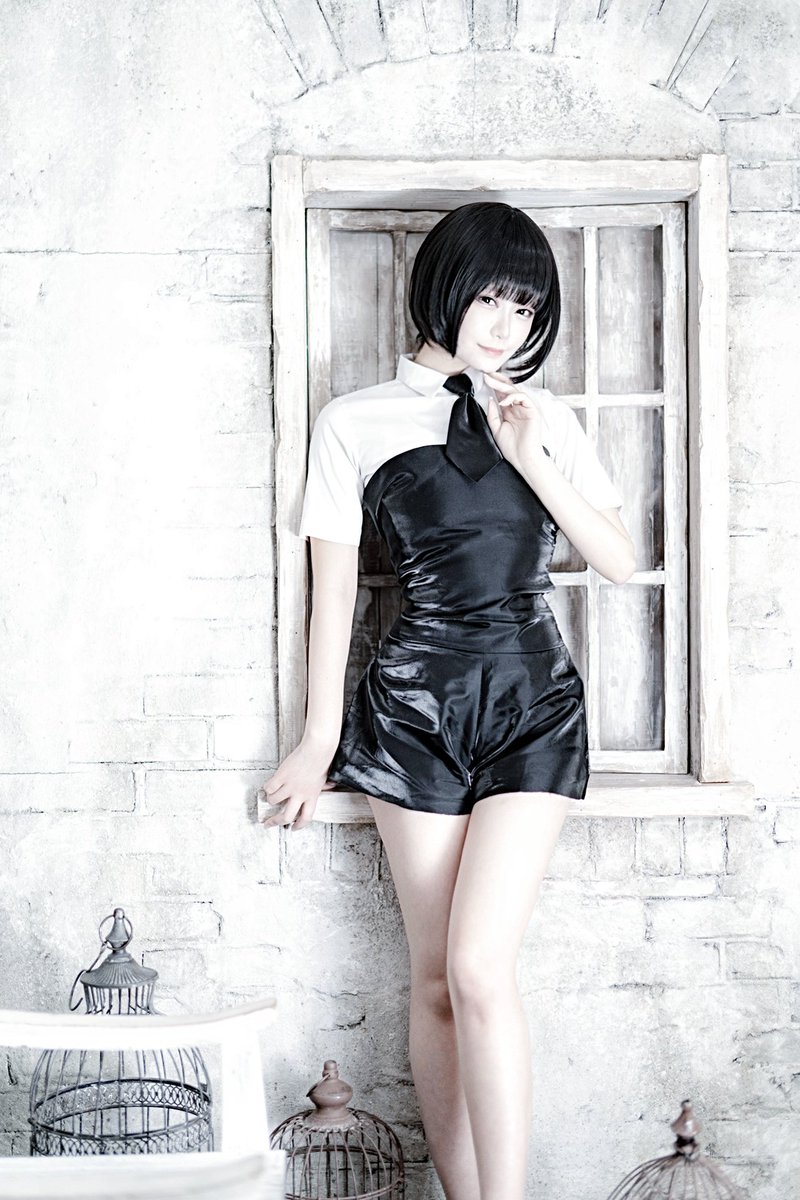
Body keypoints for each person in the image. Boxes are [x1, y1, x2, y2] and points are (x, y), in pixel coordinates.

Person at [262, 202, 636, 1200]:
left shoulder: (545, 419)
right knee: (432, 980)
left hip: (531, 707)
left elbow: (616, 559)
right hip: (413, 714)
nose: (505, 326)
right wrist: (317, 740)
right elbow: (333, 597)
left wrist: (528, 455)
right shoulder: (354, 422)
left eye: (525, 308)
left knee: (477, 967)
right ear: (443, 290)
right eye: (488, 299)